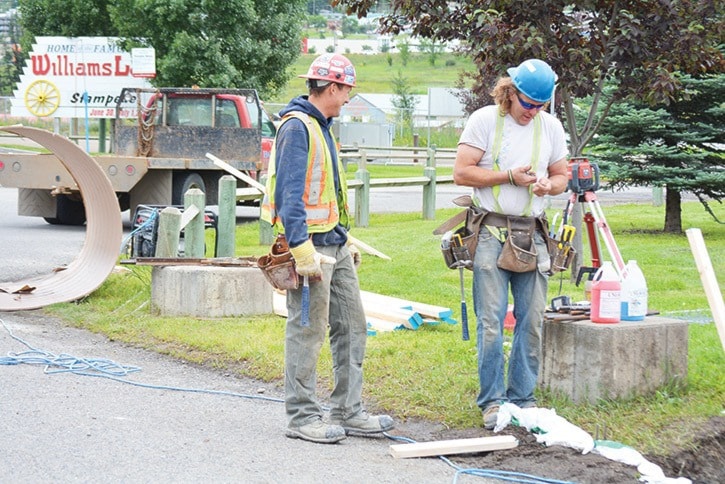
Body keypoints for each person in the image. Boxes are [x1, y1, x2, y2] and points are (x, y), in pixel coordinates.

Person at [261, 54, 394, 444]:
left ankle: (347, 411)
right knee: (307, 330)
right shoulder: (297, 128)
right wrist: (301, 250)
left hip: (332, 243)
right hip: (310, 249)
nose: (349, 97)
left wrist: (343, 235)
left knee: (352, 326)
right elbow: (289, 194)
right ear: (332, 87)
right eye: (347, 90)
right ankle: (302, 417)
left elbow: (324, 191)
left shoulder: (322, 127)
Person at [453, 59, 569, 429]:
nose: (532, 112)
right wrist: (508, 177)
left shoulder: (549, 126)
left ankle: (524, 398)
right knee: (490, 321)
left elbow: (562, 175)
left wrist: (549, 186)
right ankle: (492, 401)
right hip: (491, 231)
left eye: (540, 106)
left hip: (532, 233)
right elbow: (462, 172)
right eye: (527, 104)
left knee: (531, 319)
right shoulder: (485, 120)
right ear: (510, 93)